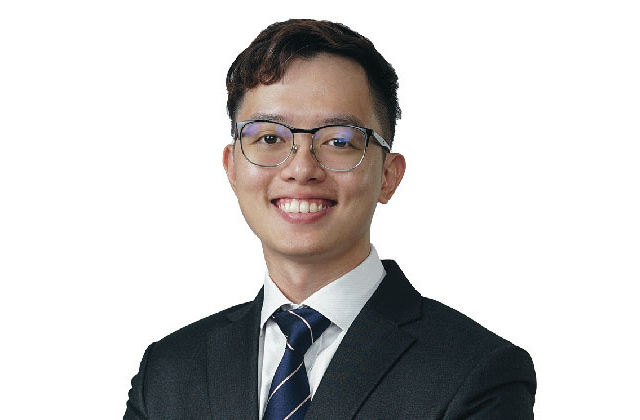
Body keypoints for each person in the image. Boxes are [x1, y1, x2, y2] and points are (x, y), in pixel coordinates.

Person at [124, 19, 536, 420]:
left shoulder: (476, 372)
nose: (301, 169)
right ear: (232, 168)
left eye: (339, 141)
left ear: (388, 176)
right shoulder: (168, 371)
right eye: (269, 138)